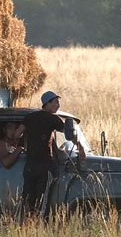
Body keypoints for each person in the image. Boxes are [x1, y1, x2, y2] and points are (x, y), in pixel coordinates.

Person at [20, 90, 83, 220]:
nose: (58, 106)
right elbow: (69, 134)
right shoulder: (52, 118)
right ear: (46, 104)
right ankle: (39, 223)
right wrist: (80, 148)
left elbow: (16, 134)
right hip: (45, 164)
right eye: (55, 102)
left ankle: (24, 223)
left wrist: (18, 145)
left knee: (27, 197)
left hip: (30, 164)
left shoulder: (29, 117)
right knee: (42, 198)